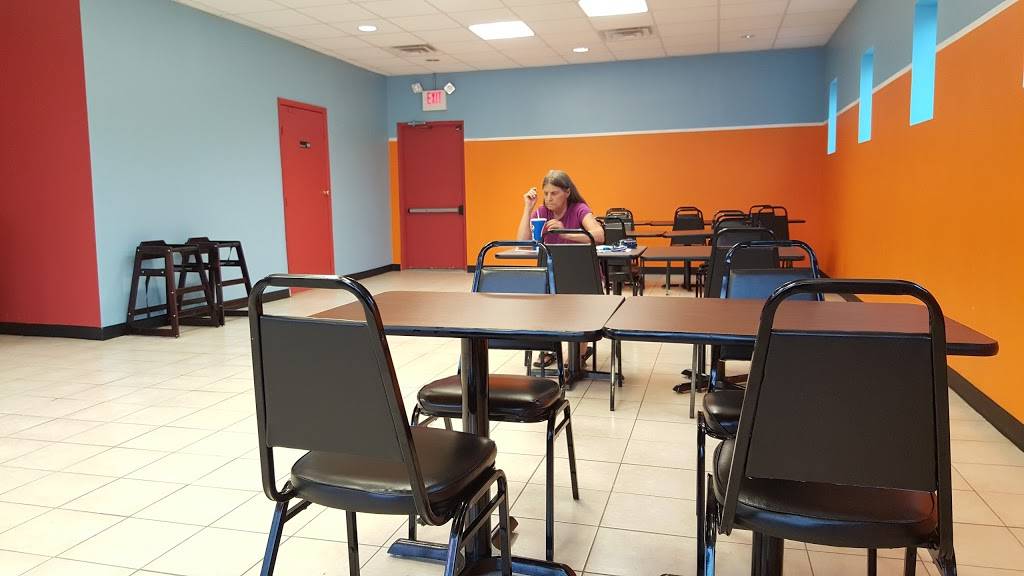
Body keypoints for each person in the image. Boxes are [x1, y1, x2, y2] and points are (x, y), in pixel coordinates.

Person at [517, 170, 605, 245]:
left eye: (554, 193)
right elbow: (522, 245)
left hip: (576, 259)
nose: (549, 199)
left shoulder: (579, 209)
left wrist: (566, 234)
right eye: (546, 193)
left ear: (567, 192)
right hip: (550, 260)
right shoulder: (541, 213)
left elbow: (599, 236)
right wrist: (528, 208)